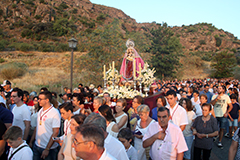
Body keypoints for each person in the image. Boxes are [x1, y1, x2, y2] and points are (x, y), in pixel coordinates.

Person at [30, 91, 61, 160]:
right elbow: (37, 127)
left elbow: (55, 132)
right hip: (37, 145)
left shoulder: (54, 113)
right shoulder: (40, 110)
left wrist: (47, 148)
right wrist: (31, 141)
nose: (38, 101)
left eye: (40, 99)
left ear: (47, 100)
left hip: (49, 149)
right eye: (38, 99)